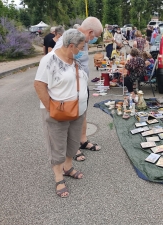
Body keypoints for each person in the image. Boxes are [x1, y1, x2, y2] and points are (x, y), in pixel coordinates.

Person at [34, 29, 88, 198]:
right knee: (57, 145)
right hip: (57, 111)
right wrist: (51, 109)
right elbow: (39, 85)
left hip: (77, 111)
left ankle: (68, 167)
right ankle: (58, 177)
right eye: (80, 47)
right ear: (71, 46)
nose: (82, 50)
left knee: (73, 142)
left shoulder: (74, 60)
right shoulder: (49, 60)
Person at [53, 17, 103, 162]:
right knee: (71, 118)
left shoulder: (83, 41)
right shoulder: (69, 38)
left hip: (81, 86)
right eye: (96, 36)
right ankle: (73, 148)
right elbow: (55, 61)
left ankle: (82, 140)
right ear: (90, 32)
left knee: (82, 114)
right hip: (70, 87)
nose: (95, 39)